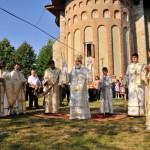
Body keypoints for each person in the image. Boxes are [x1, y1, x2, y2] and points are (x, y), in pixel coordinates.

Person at [69, 55, 91, 120]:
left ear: (81, 62)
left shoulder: (84, 69)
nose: (77, 63)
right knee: (74, 102)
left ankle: (82, 116)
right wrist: (64, 69)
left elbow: (89, 79)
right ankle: (74, 116)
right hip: (74, 91)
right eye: (76, 61)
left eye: (78, 61)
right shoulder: (72, 70)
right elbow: (69, 78)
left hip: (82, 90)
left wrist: (90, 68)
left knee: (81, 102)